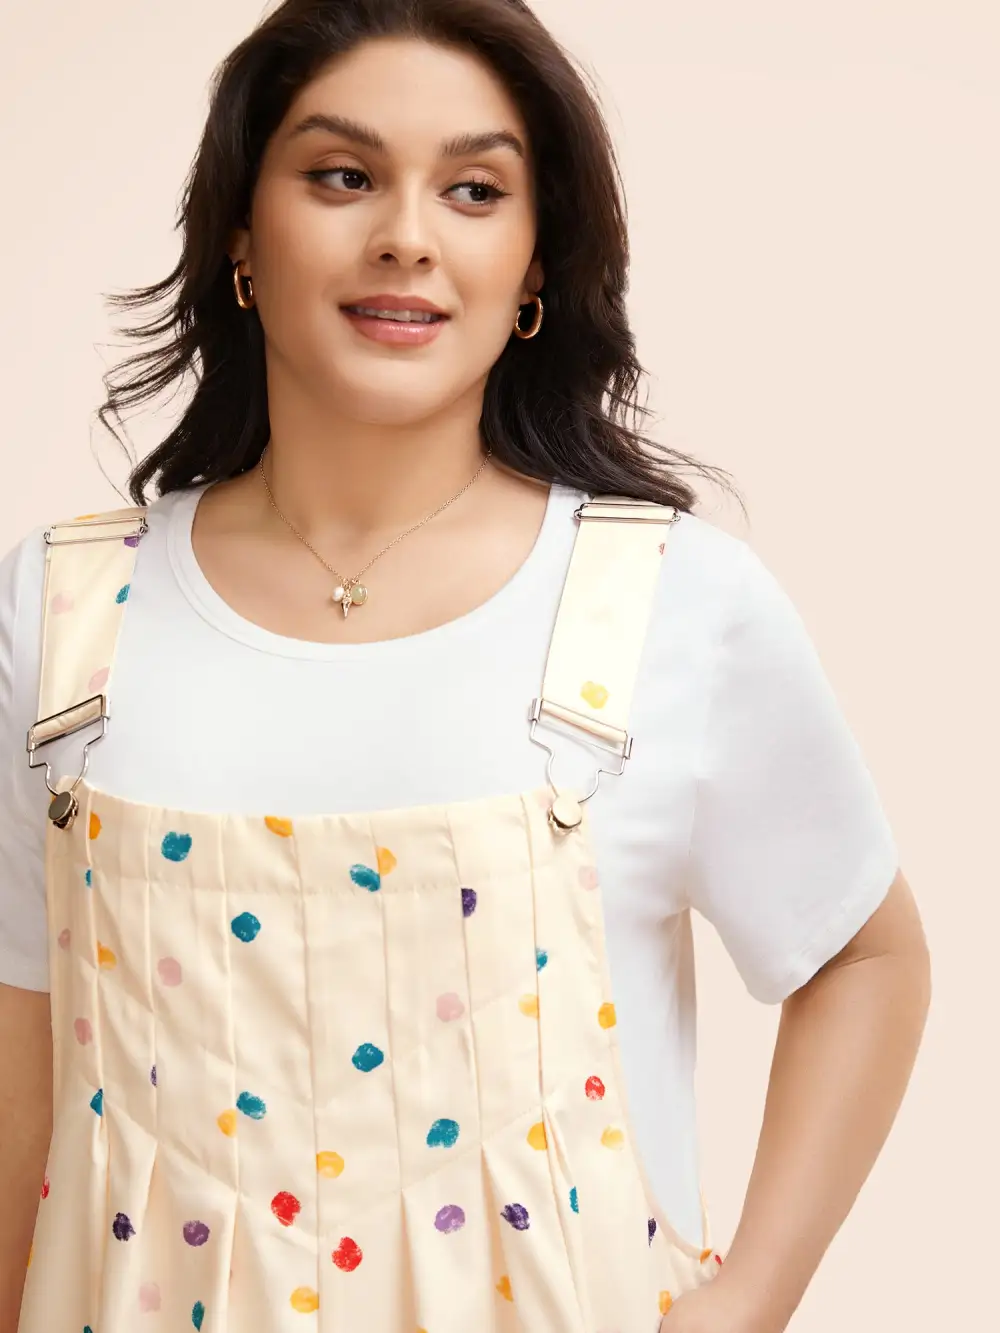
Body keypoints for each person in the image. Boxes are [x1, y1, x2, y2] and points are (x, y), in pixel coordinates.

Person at [0, 1, 930, 1330]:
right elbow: (22, 1057)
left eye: (475, 190)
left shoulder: (671, 604)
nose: (407, 236)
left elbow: (865, 960)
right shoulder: (64, 610)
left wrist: (752, 1301)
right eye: (342, 176)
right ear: (239, 235)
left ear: (536, 262)